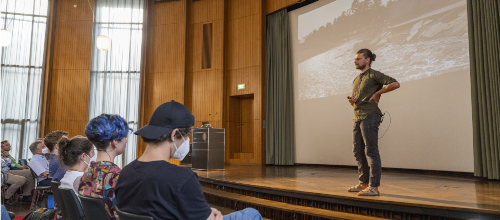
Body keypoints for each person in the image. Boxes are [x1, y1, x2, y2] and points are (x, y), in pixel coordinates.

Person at [115, 101, 262, 220]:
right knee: (251, 214)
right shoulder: (182, 178)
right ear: (174, 135)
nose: (187, 142)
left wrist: (200, 211)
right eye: (186, 138)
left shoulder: (125, 173)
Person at [347, 49, 400, 196]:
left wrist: (377, 93)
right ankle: (363, 183)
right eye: (355, 59)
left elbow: (395, 84)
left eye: (358, 59)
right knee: (357, 151)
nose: (355, 61)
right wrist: (353, 102)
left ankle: (374, 187)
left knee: (371, 151)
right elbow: (358, 101)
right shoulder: (356, 79)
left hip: (370, 116)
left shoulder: (374, 74)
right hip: (357, 116)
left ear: (367, 60)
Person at [79, 114, 131, 220]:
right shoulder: (117, 176)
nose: (126, 140)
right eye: (125, 137)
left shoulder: (88, 171)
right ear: (115, 142)